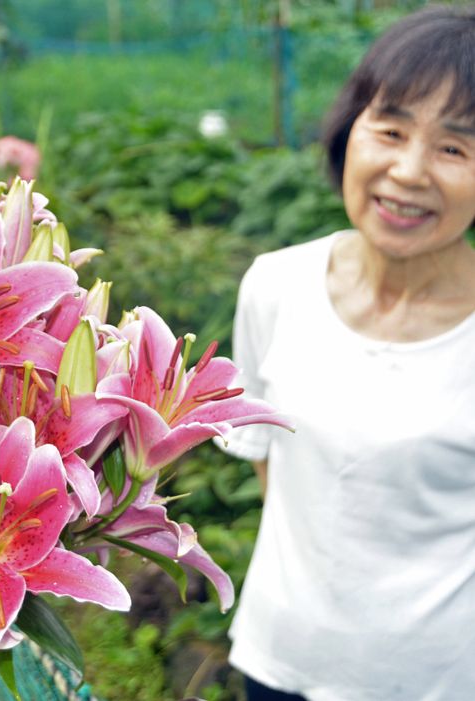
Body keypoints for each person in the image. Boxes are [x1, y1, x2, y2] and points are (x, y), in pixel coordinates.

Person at [220, 6, 475, 700]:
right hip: (278, 661)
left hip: (437, 682)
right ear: (349, 131)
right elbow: (276, 474)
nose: (409, 170)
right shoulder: (275, 284)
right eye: (390, 130)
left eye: (455, 148)